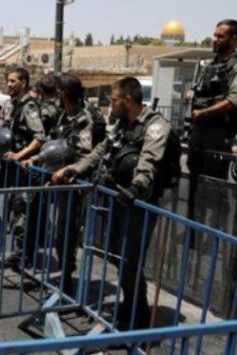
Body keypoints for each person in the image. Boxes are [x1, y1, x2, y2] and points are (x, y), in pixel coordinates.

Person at [53, 77, 172, 329]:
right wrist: (75, 168)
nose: (110, 104)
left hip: (140, 202)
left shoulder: (155, 125)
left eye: (114, 99)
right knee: (120, 257)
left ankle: (137, 315)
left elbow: (149, 161)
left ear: (127, 100)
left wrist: (136, 187)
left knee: (130, 260)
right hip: (120, 199)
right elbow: (100, 152)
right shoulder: (122, 125)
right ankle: (131, 305)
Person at [24, 75, 96, 291]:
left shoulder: (84, 119)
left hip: (76, 184)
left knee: (67, 236)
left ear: (62, 94)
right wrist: (34, 159)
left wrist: (68, 170)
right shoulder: (65, 116)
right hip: (60, 181)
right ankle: (65, 280)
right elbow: (54, 144)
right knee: (60, 235)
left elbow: (85, 154)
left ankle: (68, 284)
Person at [187, 19, 237, 230]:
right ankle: (193, 231)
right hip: (199, 132)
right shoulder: (211, 65)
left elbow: (233, 102)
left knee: (215, 188)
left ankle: (215, 234)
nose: (215, 39)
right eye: (215, 35)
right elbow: (201, 91)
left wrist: (203, 112)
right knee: (195, 184)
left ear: (233, 39)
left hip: (219, 136)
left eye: (220, 36)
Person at [0, 68, 44, 260]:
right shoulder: (10, 104)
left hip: (24, 168)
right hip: (9, 166)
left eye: (13, 81)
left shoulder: (29, 107)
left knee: (20, 212)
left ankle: (21, 255)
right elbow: (0, 130)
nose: (9, 84)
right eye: (8, 81)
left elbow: (39, 138)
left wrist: (19, 154)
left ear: (24, 83)